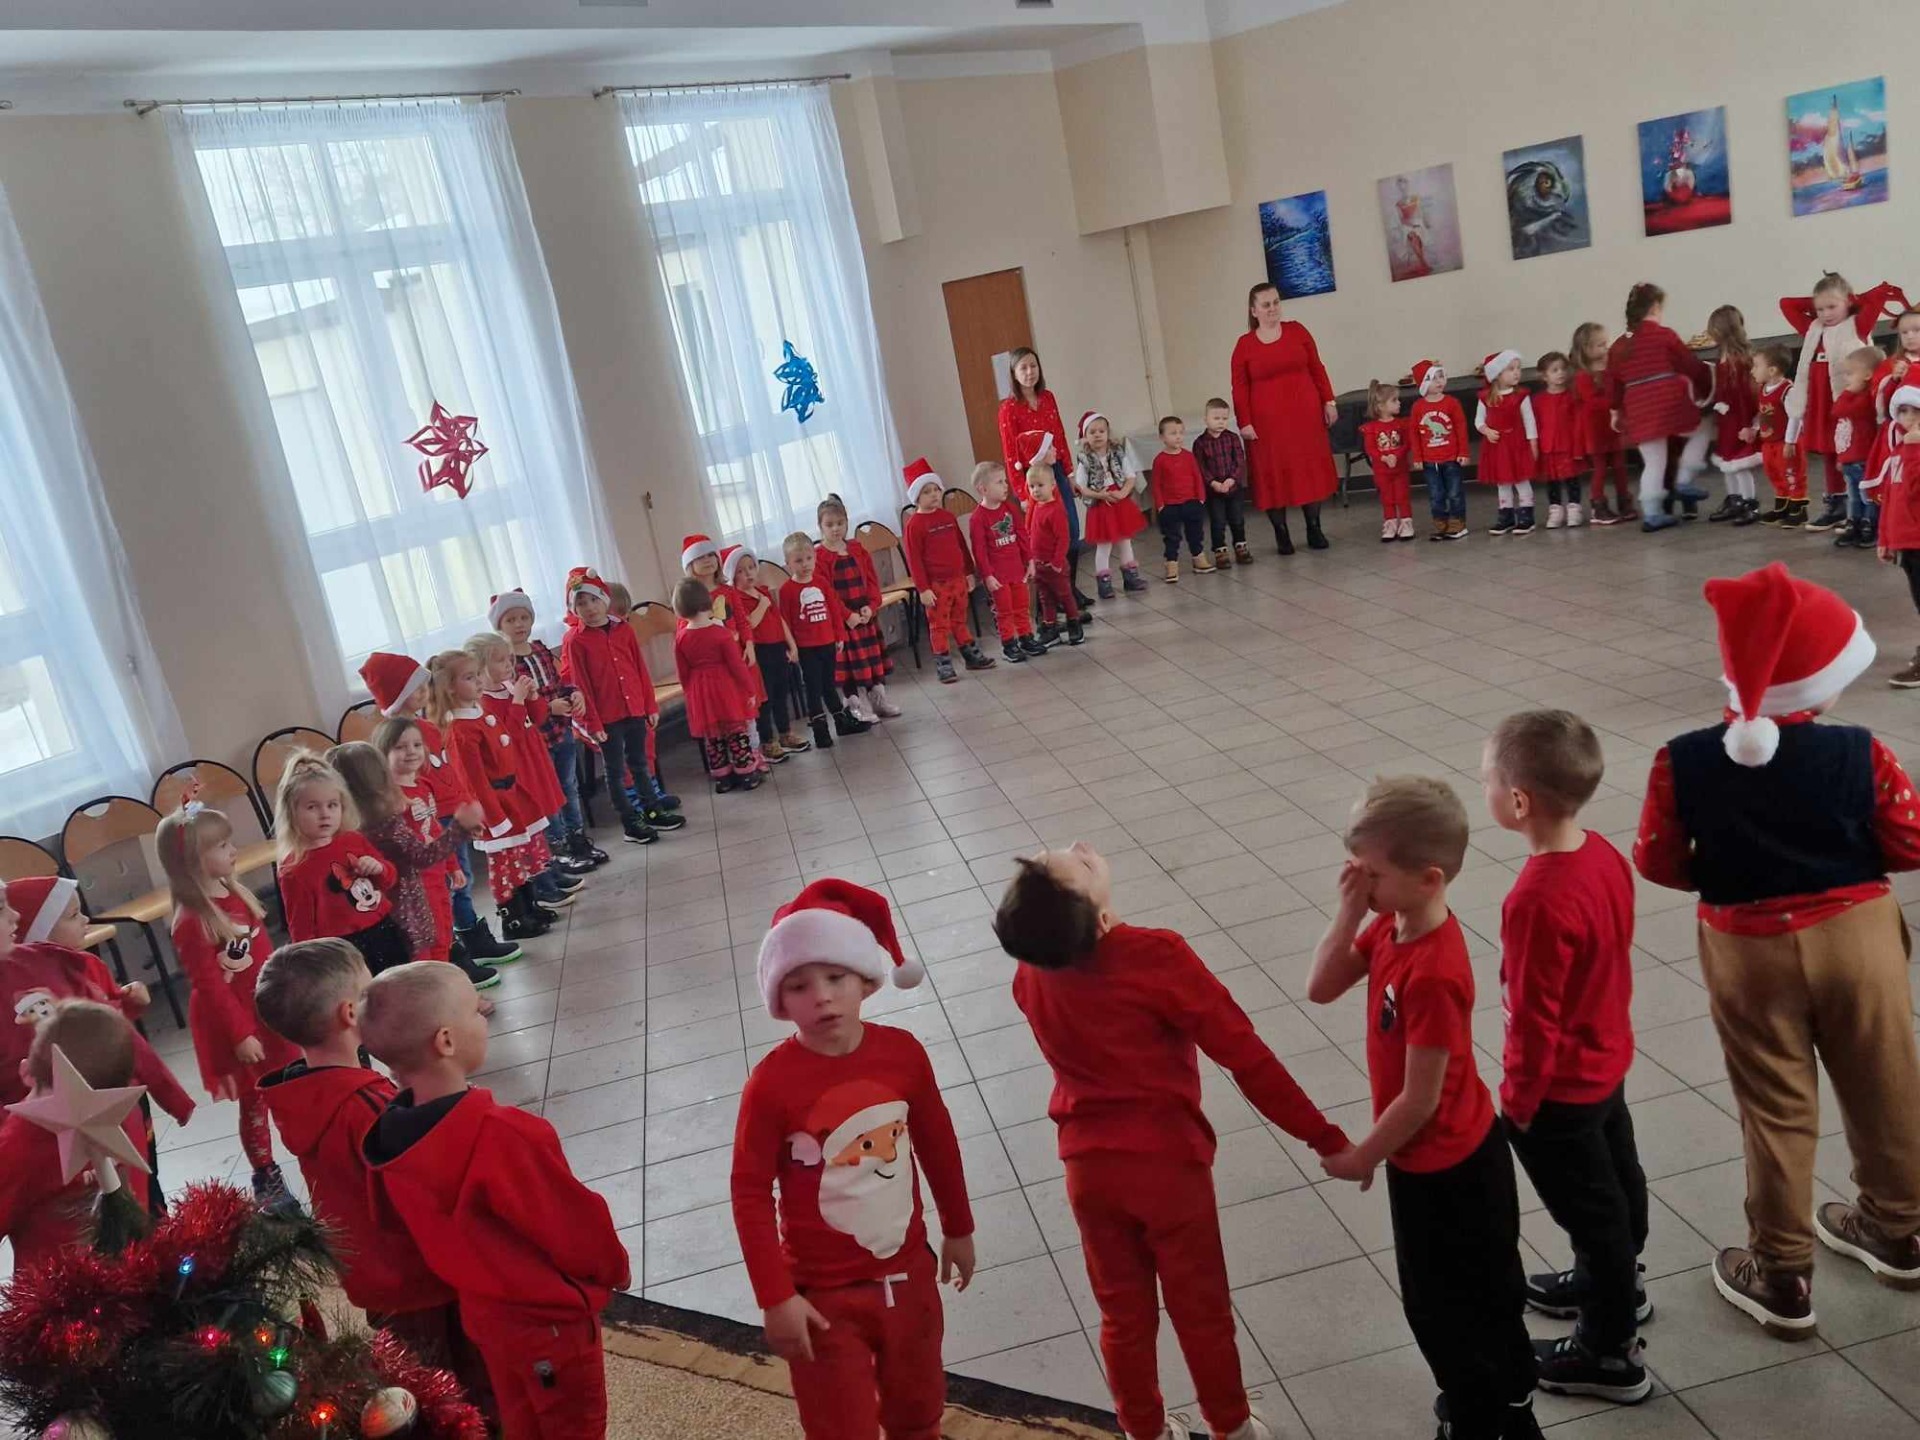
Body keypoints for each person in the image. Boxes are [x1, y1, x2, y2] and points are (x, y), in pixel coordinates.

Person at [1635, 561, 1920, 1336]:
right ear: (1817, 688)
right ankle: (1898, 1232)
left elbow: (1657, 860)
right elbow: (1909, 843)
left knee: (1774, 1108)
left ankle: (1784, 1275)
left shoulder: (1681, 760)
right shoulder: (1862, 753)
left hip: (1747, 946)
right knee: (1886, 1080)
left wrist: (1725, 876)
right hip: (1858, 938)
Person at [994, 843, 1344, 1440]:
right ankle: (1231, 1426)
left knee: (1122, 1315)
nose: (1080, 848)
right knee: (1200, 1309)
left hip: (1088, 1171)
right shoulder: (1158, 956)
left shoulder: (1031, 973)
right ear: (1097, 919)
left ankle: (1145, 1430)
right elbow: (1246, 1056)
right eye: (1079, 864)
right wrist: (1322, 1135)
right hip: (1169, 1170)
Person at [1308, 777, 1541, 1440]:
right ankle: (1493, 1400)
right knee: (1450, 1297)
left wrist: (1362, 1156)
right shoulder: (1390, 924)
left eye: (1371, 875)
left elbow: (1419, 1098)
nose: (1359, 883)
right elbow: (1320, 986)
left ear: (1429, 878)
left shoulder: (1434, 971)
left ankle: (1490, 1415)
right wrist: (1350, 910)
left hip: (1454, 1166)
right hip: (1421, 1159)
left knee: (1456, 1302)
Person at [731, 880, 974, 1440]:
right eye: (799, 985)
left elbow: (938, 1142)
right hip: (821, 1297)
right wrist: (775, 1296)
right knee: (840, 1426)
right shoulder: (770, 1086)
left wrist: (959, 1227)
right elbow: (748, 1191)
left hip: (909, 1277)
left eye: (836, 977)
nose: (821, 997)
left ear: (866, 979)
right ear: (779, 1000)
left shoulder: (904, 1054)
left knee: (919, 1411)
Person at [363, 961, 629, 1439]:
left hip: (483, 1317)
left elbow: (391, 1225)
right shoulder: (505, 1135)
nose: (484, 1016)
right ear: (446, 1041)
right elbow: (573, 1227)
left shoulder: (387, 1141)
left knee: (518, 1419)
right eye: (475, 1010)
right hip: (549, 1324)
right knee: (574, 1425)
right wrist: (613, 1269)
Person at [1482, 712, 1650, 1405]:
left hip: (1558, 1093)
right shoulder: (1603, 854)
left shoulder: (1534, 900)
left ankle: (1608, 1352)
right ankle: (1616, 1283)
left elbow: (1532, 1019)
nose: (1486, 791)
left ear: (1519, 801)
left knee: (1592, 1212)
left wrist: (1518, 1105)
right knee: (1617, 1185)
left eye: (1489, 781)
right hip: (1605, 1062)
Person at [254, 938, 483, 1396]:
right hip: (415, 1275)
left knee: (412, 1367)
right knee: (457, 1387)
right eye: (370, 992)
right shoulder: (367, 1105)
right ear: (350, 1013)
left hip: (369, 1271)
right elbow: (422, 1189)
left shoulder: (302, 1094)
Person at [0, 879, 194, 1210]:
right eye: (1, 907)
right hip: (42, 1158)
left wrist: (172, 1096)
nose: (14, 915)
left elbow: (115, 1030)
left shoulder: (50, 962)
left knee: (140, 1207)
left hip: (112, 1119)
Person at [159, 800, 304, 1209]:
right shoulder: (192, 920)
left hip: (266, 1009)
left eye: (228, 842)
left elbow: (263, 953)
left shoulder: (234, 892)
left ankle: (309, 1143)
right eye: (221, 846)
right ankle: (266, 1175)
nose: (232, 850)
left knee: (291, 1081)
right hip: (235, 1021)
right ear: (193, 861)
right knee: (255, 1099)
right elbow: (209, 987)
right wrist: (240, 1034)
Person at [359, 651, 518, 966]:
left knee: (461, 878)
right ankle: (459, 947)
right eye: (413, 688)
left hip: (447, 813)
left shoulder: (427, 727)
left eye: (423, 685)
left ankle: (469, 939)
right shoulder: (396, 738)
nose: (423, 692)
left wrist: (462, 801)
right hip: (435, 820)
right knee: (446, 888)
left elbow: (447, 772)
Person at [327, 740, 494, 993]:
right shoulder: (387, 823)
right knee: (428, 961)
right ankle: (443, 1004)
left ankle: (444, 1000)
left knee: (417, 965)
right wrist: (460, 827)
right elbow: (423, 855)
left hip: (383, 912)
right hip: (412, 903)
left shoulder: (350, 828)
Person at [0, 1001, 149, 1268]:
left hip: (58, 1287)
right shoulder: (118, 1114)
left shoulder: (17, 1145)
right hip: (129, 1268)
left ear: (26, 1072)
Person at [428, 650, 555, 942]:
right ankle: (512, 917)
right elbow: (473, 781)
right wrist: (494, 817)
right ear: (449, 687)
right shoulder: (459, 728)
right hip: (494, 805)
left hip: (511, 796)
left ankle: (529, 907)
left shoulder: (480, 711)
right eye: (469, 677)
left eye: (477, 675)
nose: (478, 682)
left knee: (519, 856)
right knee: (503, 864)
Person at [367, 718, 500, 994]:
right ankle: (431, 999)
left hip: (437, 876)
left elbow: (435, 828)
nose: (411, 751)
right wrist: (460, 829)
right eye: (400, 747)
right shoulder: (389, 800)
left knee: (443, 936)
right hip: (413, 886)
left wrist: (452, 865)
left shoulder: (424, 785)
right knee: (422, 946)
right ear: (382, 753)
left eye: (417, 745)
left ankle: (447, 997)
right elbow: (414, 851)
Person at [558, 566, 685, 846]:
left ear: (604, 599)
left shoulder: (623, 629)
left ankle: (652, 811)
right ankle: (630, 822)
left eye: (593, 599)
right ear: (573, 608)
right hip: (607, 718)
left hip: (634, 710)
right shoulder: (575, 641)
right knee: (616, 772)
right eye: (581, 602)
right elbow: (580, 685)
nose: (589, 607)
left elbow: (639, 669)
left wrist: (650, 706)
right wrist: (593, 724)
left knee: (639, 763)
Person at [1782, 272, 1910, 533]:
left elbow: (1875, 300)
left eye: (1832, 306)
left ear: (1848, 302)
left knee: (1856, 452)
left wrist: (1853, 300)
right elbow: (1787, 304)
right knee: (1831, 451)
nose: (1825, 313)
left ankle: (1867, 508)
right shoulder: (1813, 328)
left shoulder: (1857, 325)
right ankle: (1837, 504)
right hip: (1821, 398)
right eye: (1820, 309)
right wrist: (1824, 298)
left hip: (1848, 399)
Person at [467, 630, 582, 914]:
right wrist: (519, 701)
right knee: (528, 830)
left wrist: (531, 696)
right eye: (500, 661)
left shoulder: (510, 687)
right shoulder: (484, 702)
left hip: (534, 760)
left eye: (509, 659)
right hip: (517, 770)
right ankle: (541, 883)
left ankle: (550, 869)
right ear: (481, 667)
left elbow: (539, 717)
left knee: (540, 823)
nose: (509, 665)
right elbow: (508, 736)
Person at [492, 589, 605, 875]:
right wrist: (546, 706)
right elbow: (512, 703)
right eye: (511, 620)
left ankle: (577, 838)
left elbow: (558, 682)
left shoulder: (540, 649)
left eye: (523, 617)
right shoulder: (505, 664)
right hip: (536, 740)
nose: (519, 624)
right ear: (499, 626)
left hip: (561, 730)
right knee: (548, 791)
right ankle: (559, 847)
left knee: (569, 785)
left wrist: (573, 692)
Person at [270, 754, 412, 970]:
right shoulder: (294, 868)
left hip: (383, 930)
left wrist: (379, 868)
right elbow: (301, 928)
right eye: (312, 807)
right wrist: (312, 965)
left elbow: (389, 879)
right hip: (342, 949)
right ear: (291, 813)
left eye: (332, 805)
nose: (325, 814)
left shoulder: (353, 839)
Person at [1231, 281, 1338, 553]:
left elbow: (1317, 367)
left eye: (1276, 302)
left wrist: (1329, 400)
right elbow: (1239, 387)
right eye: (1266, 305)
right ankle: (1281, 533)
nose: (1272, 308)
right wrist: (1244, 422)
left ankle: (1314, 527)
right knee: (1272, 475)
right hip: (1266, 424)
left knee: (1309, 470)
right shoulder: (1244, 345)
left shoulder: (1297, 331)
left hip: (1306, 417)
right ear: (1253, 310)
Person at [1607, 282, 1713, 533]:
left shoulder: (1619, 346)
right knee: (1703, 428)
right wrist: (1708, 381)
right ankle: (1684, 479)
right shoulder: (1664, 335)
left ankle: (1653, 514)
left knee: (1653, 462)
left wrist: (1615, 410)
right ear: (1655, 307)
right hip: (1669, 400)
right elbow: (1690, 365)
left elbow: (1613, 384)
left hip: (1638, 408)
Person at [998, 345, 1093, 609]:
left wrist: (1070, 474)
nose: (1030, 372)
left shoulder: (1048, 398)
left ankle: (1069, 589)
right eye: (1023, 368)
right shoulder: (1008, 409)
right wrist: (1022, 493)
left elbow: (1059, 435)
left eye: (1033, 366)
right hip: (1034, 480)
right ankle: (1055, 595)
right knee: (1045, 539)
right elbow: (1010, 453)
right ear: (1014, 374)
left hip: (1057, 473)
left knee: (1071, 530)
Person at [901, 459, 997, 682]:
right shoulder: (914, 525)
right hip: (936, 586)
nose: (934, 495)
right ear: (917, 497)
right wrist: (923, 588)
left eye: (936, 489)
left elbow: (961, 546)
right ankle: (943, 663)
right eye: (927, 492)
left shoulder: (947, 517)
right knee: (939, 625)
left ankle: (970, 656)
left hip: (958, 580)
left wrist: (969, 572)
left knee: (959, 619)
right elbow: (914, 560)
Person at [673, 577, 765, 794]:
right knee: (736, 731)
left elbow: (682, 672)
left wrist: (690, 693)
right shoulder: (722, 634)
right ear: (707, 602)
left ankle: (722, 778)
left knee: (713, 737)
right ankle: (746, 773)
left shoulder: (681, 637)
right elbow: (737, 666)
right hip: (726, 689)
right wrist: (749, 690)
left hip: (700, 691)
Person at [782, 531, 879, 734]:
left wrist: (839, 636)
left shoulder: (821, 582)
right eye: (798, 561)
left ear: (814, 558)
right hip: (806, 647)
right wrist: (791, 647)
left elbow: (834, 610)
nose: (805, 564)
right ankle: (820, 729)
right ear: (788, 563)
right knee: (813, 687)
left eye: (809, 558)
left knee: (829, 684)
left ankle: (841, 722)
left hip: (828, 642)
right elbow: (786, 622)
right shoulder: (787, 590)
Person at [812, 502, 897, 722]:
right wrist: (846, 615)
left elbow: (871, 580)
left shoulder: (857, 548)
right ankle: (856, 707)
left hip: (864, 614)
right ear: (820, 526)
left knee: (871, 662)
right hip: (844, 620)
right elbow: (827, 593)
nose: (835, 529)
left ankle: (878, 701)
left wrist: (872, 605)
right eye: (829, 524)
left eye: (840, 523)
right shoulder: (819, 557)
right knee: (851, 667)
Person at [728, 545, 811, 759]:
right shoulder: (737, 599)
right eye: (741, 571)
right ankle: (767, 741)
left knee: (781, 693)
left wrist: (791, 644)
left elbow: (779, 619)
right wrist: (762, 605)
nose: (748, 574)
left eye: (751, 567)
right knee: (765, 699)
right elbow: (749, 624)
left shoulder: (763, 592)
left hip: (777, 648)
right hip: (759, 652)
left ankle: (785, 733)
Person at [968, 460, 1046, 660]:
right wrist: (987, 575)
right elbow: (979, 551)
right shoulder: (978, 518)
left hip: (1017, 569)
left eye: (1005, 481)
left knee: (1021, 606)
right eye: (999, 482)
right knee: (1004, 610)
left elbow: (1021, 535)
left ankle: (1026, 637)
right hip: (998, 575)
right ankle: (1009, 644)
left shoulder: (1010, 509)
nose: (1005, 486)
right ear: (983, 489)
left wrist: (1029, 560)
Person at [1073, 412, 1149, 594]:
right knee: (1104, 545)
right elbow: (1081, 487)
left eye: (1101, 431)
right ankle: (1104, 583)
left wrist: (1122, 493)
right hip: (1101, 506)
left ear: (1108, 433)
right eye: (1092, 432)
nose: (1097, 435)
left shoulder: (1117, 453)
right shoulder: (1085, 460)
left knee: (1125, 541)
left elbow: (1130, 476)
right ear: (1085, 437)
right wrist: (1101, 495)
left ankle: (1131, 577)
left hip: (1119, 503)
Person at [1874, 387, 1920, 687]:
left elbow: (1916, 489)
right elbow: (1890, 498)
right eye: (1903, 411)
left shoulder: (1913, 451)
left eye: (1916, 412)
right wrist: (1885, 538)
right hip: (1906, 540)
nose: (1909, 418)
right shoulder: (1898, 452)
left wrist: (1914, 449)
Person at [1704, 306, 1762, 524]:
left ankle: (1749, 503)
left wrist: (1749, 424)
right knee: (1727, 461)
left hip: (1738, 418)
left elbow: (1744, 395)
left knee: (1739, 463)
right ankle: (1734, 498)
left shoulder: (1739, 361)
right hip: (1727, 419)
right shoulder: (1724, 356)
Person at [1571, 323, 1631, 525]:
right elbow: (1592, 401)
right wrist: (1614, 403)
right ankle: (1598, 505)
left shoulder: (1610, 369)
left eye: (1606, 344)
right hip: (1595, 428)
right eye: (1601, 345)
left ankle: (1624, 501)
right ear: (1587, 349)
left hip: (1613, 426)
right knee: (1600, 468)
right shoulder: (1583, 375)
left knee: (1620, 466)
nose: (1606, 348)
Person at [1476, 349, 1538, 537]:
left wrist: (1533, 442)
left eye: (1518, 368)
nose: (1517, 372)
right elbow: (1478, 420)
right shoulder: (1486, 398)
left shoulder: (1521, 396)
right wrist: (1486, 431)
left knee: (1521, 479)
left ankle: (1526, 516)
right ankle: (1506, 515)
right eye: (1511, 369)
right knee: (1502, 482)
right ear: (1497, 374)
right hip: (1497, 447)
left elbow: (1529, 420)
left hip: (1517, 445)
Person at [1410, 359, 1469, 540]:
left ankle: (1457, 523)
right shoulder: (1418, 407)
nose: (1439, 381)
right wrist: (1417, 457)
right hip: (1429, 461)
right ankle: (1440, 523)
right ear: (1424, 383)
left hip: (1451, 458)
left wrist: (1463, 452)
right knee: (1436, 494)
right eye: (1434, 378)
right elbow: (1414, 433)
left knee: (1454, 492)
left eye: (1441, 376)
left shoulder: (1452, 403)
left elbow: (1461, 428)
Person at [1026, 465, 1085, 647]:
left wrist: (1057, 561)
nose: (1035, 490)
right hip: (1040, 564)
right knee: (1045, 598)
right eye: (1032, 486)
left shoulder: (1056, 510)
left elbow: (1063, 539)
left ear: (1052, 485)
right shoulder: (1036, 507)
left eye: (1040, 485)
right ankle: (1050, 627)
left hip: (1055, 565)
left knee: (1065, 595)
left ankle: (1074, 622)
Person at [1194, 396, 1254, 566]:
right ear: (1206, 419)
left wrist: (1231, 479)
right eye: (1216, 418)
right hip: (1214, 491)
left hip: (1233, 488)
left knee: (1237, 519)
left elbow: (1239, 461)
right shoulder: (1200, 443)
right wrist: (1214, 483)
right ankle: (1220, 551)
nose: (1221, 422)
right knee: (1218, 522)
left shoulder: (1233, 438)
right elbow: (1200, 467)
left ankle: (1241, 547)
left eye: (1224, 418)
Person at [1149, 415, 1211, 582]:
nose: (1178, 437)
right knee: (1172, 536)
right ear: (1162, 437)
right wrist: (1160, 505)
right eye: (1173, 433)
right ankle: (1171, 564)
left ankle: (1198, 558)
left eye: (1181, 433)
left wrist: (1201, 498)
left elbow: (1197, 477)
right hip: (1170, 506)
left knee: (1195, 532)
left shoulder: (1189, 456)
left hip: (1191, 502)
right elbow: (1156, 484)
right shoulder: (1160, 460)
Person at [1831, 348, 1882, 549]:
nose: (1846, 379)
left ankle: (1870, 525)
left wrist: (1847, 393)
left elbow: (1839, 410)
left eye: (1850, 373)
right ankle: (1855, 523)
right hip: (1850, 460)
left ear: (1867, 375)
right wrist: (1841, 458)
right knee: (1853, 497)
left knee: (1867, 497)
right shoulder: (1854, 397)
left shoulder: (1866, 399)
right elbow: (1842, 432)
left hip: (1863, 460)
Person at [1751, 346, 1806, 528]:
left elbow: (1795, 417)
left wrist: (1790, 442)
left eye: (1756, 366)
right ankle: (1782, 507)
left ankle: (1798, 510)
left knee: (1792, 474)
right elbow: (1763, 414)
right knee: (1774, 473)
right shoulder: (1763, 388)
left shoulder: (1787, 391)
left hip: (1785, 442)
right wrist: (1754, 429)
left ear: (1772, 370)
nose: (1752, 370)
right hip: (1769, 442)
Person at [1533, 352, 1584, 528]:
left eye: (1563, 369)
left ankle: (1574, 508)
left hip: (1568, 445)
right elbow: (1535, 424)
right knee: (1552, 480)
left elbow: (1578, 422)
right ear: (1544, 376)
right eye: (1554, 370)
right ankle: (1555, 510)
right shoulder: (1538, 400)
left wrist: (1578, 446)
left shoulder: (1572, 396)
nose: (1560, 373)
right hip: (1548, 447)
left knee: (1572, 478)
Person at [1360, 380, 1414, 542]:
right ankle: (1390, 523)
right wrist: (1384, 458)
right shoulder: (1371, 428)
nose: (1399, 403)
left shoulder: (1401, 424)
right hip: (1382, 471)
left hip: (1400, 469)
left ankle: (1406, 523)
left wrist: (1396, 455)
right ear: (1380, 406)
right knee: (1387, 498)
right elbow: (1370, 449)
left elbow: (1407, 444)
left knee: (1402, 496)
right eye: (1394, 400)